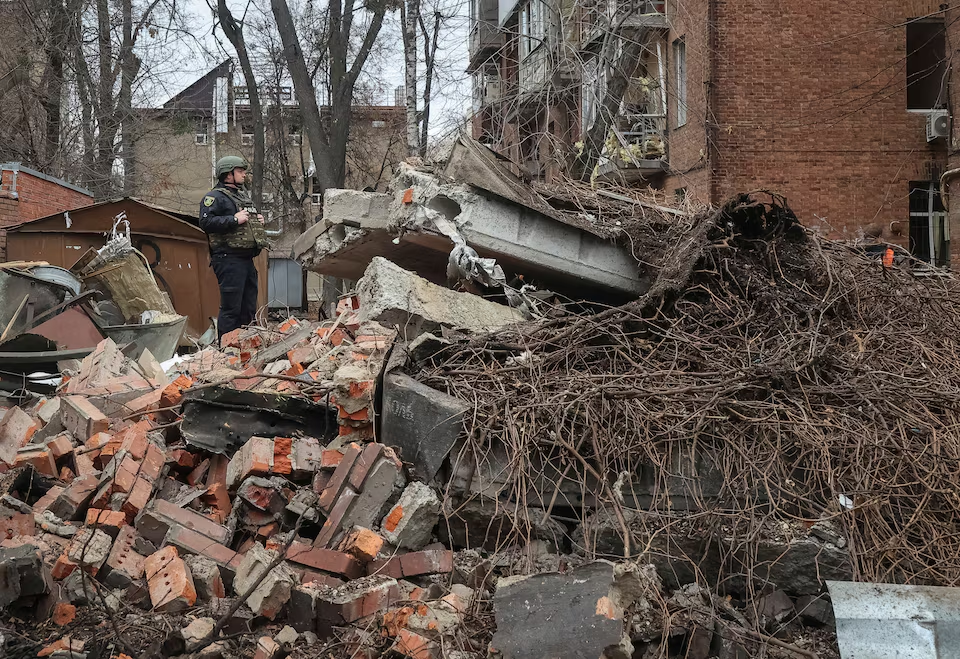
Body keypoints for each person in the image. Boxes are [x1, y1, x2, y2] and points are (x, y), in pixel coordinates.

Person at [199, 155, 267, 343]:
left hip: (246, 259)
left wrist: (257, 221)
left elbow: (246, 222)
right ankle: (227, 349)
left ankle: (243, 347)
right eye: (240, 171)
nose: (244, 174)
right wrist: (234, 219)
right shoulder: (214, 198)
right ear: (227, 174)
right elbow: (205, 222)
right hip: (228, 259)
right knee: (231, 308)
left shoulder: (241, 196)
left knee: (248, 308)